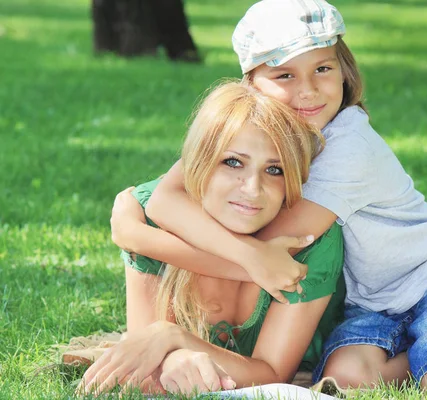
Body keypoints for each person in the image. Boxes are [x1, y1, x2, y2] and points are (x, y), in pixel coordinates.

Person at [88, 0, 427, 393]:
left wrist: (138, 234)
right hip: (372, 287)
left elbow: (278, 261)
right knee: (355, 374)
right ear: (250, 82)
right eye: (285, 75)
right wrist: (132, 223)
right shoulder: (254, 128)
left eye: (323, 70)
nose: (308, 92)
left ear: (344, 67)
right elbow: (166, 196)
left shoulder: (345, 147)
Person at [79, 80, 348, 395]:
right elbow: (145, 356)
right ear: (199, 163)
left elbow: (273, 374)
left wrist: (172, 338)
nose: (252, 189)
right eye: (233, 162)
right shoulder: (148, 218)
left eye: (274, 170)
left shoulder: (308, 240)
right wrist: (171, 354)